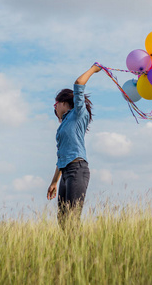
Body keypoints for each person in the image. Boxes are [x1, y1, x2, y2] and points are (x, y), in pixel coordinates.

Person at [47, 64, 101, 229]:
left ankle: (82, 253)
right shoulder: (62, 127)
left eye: (55, 105)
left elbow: (78, 84)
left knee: (72, 218)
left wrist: (94, 69)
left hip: (77, 169)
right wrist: (54, 182)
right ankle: (70, 253)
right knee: (63, 221)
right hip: (65, 173)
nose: (54, 108)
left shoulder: (79, 114)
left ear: (63, 102)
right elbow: (61, 156)